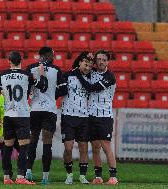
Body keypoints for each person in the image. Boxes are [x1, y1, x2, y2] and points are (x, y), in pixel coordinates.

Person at [0, 51, 47, 185]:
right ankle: (20, 177)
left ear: (9, 61)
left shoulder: (2, 75)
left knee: (7, 147)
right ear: (21, 61)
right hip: (22, 115)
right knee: (23, 148)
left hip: (8, 115)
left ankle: (6, 177)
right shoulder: (27, 75)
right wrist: (41, 74)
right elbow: (42, 86)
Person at [26, 46, 66, 185]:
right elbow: (64, 89)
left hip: (34, 108)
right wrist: (52, 96)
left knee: (33, 140)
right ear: (49, 56)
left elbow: (25, 87)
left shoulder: (30, 68)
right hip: (49, 109)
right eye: (53, 55)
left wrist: (31, 95)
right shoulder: (56, 70)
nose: (54, 57)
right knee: (47, 142)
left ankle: (28, 172)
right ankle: (45, 177)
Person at [77, 50, 118, 185]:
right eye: (98, 59)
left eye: (104, 60)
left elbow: (92, 88)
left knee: (106, 146)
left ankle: (113, 177)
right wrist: (84, 56)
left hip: (105, 116)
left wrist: (79, 75)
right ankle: (98, 176)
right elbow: (76, 66)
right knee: (95, 147)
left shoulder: (110, 76)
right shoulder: (92, 71)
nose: (101, 62)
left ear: (108, 62)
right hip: (91, 115)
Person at [60, 52, 93, 185]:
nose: (87, 67)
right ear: (79, 62)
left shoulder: (92, 78)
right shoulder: (67, 76)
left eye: (90, 65)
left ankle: (82, 176)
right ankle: (69, 174)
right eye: (85, 64)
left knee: (83, 148)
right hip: (68, 116)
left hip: (84, 117)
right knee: (68, 148)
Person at [0, 94, 20, 179]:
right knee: (6, 155)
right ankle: (8, 175)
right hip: (5, 133)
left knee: (25, 152)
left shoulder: (19, 97)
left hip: (17, 132)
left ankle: (22, 174)